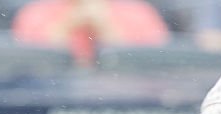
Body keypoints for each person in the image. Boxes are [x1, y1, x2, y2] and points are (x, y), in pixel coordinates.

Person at [12, 0, 170, 66]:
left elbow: (155, 63)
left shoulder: (139, 13)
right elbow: (24, 64)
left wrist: (105, 26)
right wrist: (67, 24)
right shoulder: (35, 12)